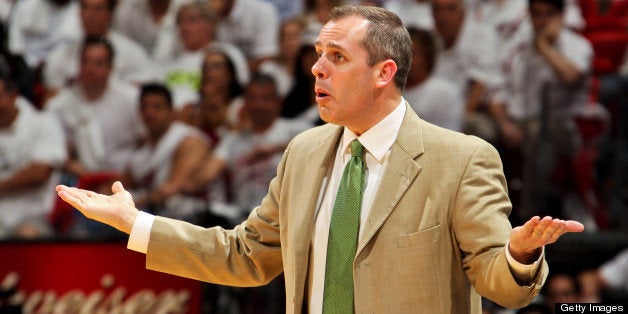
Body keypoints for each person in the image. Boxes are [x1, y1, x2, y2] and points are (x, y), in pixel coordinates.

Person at [56, 6, 584, 313]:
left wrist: (517, 254)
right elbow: (246, 256)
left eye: (336, 57)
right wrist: (137, 224)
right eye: (316, 55)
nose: (316, 70)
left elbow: (500, 285)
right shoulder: (304, 152)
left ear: (384, 72)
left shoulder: (463, 159)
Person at [122, 83, 210, 222]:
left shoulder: (188, 139)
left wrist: (125, 206)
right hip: (160, 219)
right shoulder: (140, 155)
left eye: (157, 107)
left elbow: (172, 188)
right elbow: (120, 186)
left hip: (201, 219)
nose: (150, 113)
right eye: (145, 108)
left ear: (171, 111)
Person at [0, 74, 67, 239]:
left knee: (27, 235)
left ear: (13, 96)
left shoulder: (43, 123)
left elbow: (40, 172)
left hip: (33, 215)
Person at [403, 26, 464, 132]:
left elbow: (451, 135)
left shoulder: (447, 92)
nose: (406, 60)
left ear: (426, 56)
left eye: (413, 54)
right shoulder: (387, 92)